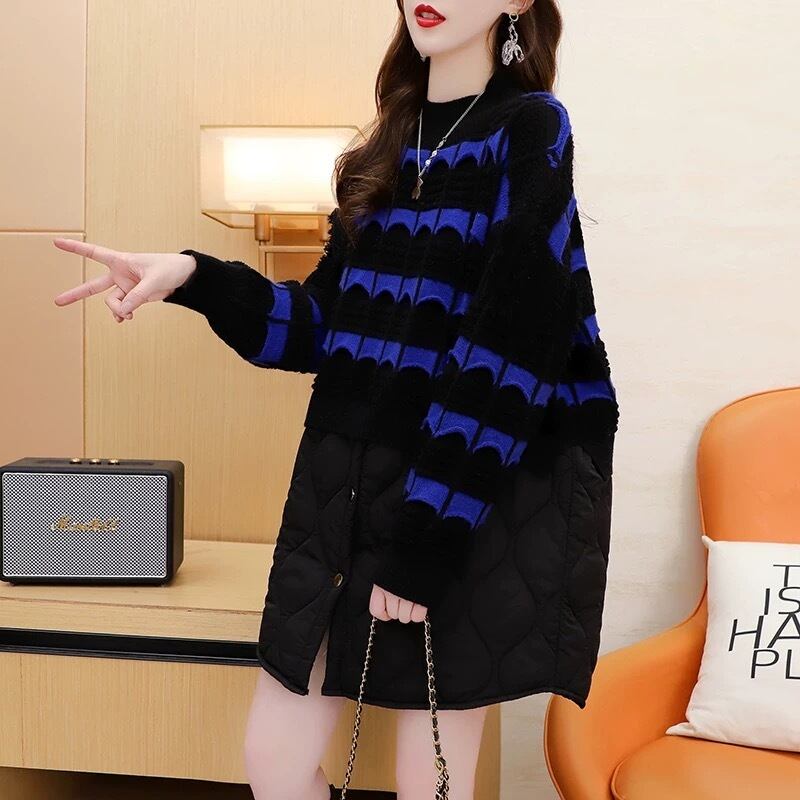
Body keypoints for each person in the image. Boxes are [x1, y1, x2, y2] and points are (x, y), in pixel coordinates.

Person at [52, 1, 619, 797]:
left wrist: (425, 544)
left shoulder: (529, 129)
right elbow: (322, 329)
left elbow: (514, 340)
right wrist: (194, 277)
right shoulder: (381, 148)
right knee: (274, 761)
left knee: (430, 782)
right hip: (337, 486)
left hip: (454, 493)